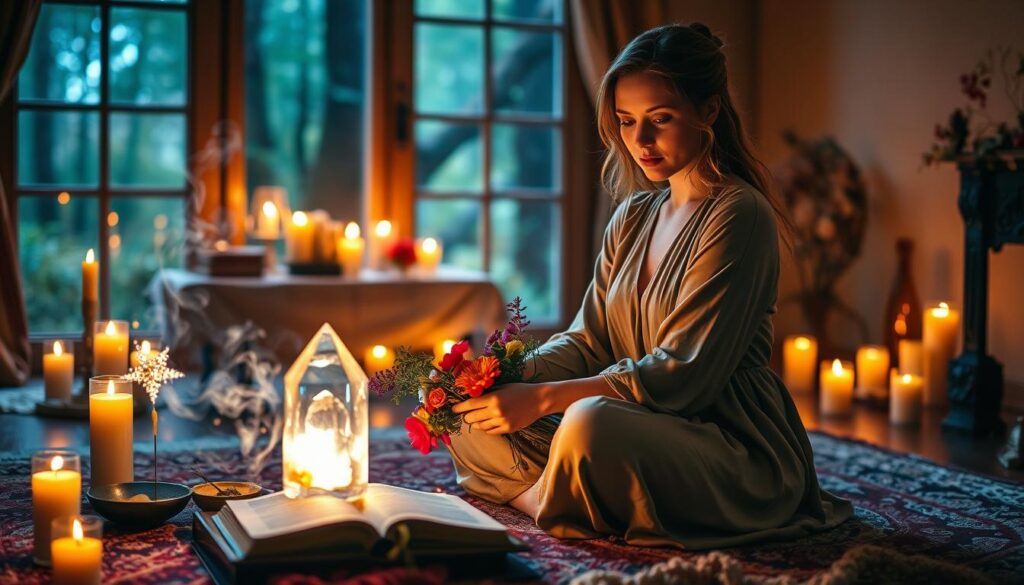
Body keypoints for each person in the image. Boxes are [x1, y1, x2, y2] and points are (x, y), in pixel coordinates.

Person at [445, 22, 853, 549]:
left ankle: (548, 497)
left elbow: (682, 376)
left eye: (660, 119)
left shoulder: (739, 214)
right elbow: (589, 340)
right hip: (635, 420)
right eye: (626, 121)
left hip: (723, 438)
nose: (639, 141)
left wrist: (542, 398)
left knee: (589, 425)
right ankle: (563, 498)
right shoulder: (633, 215)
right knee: (465, 416)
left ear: (708, 110)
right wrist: (499, 376)